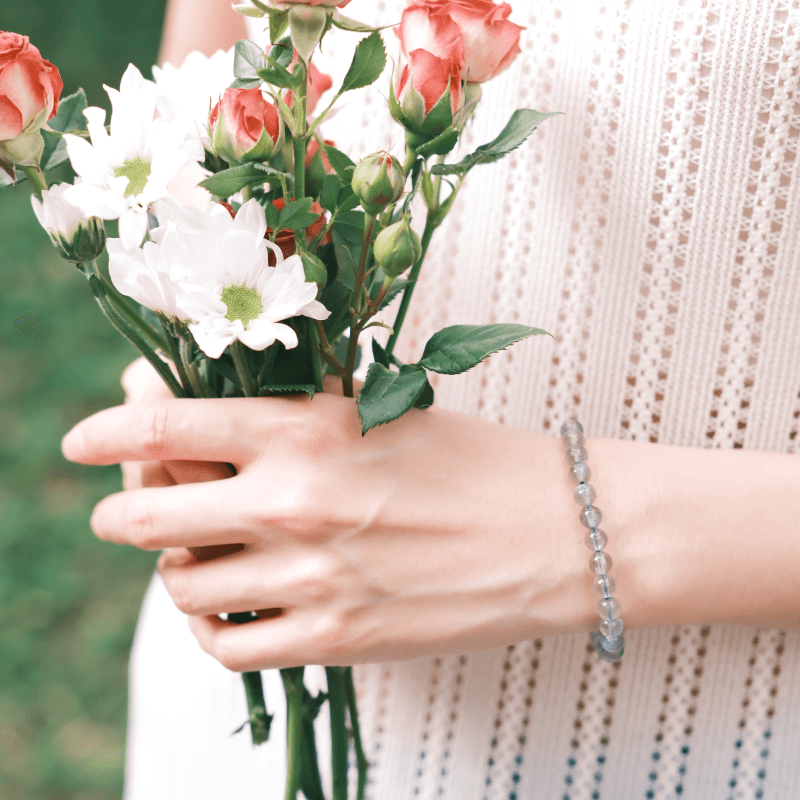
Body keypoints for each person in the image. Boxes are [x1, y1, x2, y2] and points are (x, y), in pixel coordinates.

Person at [61, 0, 800, 797]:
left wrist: (575, 530)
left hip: (692, 752)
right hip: (242, 704)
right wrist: (189, 337)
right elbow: (192, 102)